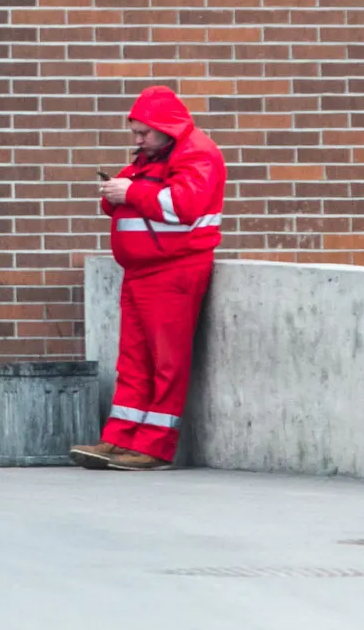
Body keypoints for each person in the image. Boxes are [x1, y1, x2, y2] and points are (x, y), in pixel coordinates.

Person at [71, 85, 226, 471]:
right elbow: (123, 197)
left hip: (175, 270)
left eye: (144, 132)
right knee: (134, 361)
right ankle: (120, 439)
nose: (138, 140)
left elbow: (185, 205)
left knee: (166, 363)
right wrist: (117, 193)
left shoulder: (198, 154)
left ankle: (154, 447)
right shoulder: (155, 154)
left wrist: (130, 192)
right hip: (142, 272)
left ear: (167, 128)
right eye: (135, 132)